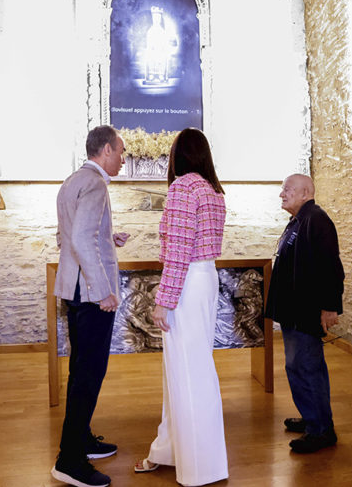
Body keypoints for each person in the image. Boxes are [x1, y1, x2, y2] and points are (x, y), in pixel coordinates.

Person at [133, 128, 228, 486]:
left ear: (178, 155)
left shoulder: (183, 188)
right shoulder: (213, 191)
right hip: (205, 279)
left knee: (189, 372)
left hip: (187, 282)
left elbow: (178, 250)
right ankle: (169, 451)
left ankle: (201, 467)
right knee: (187, 369)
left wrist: (164, 300)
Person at [51, 125, 130, 487]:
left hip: (73, 289)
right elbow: (81, 239)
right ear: (107, 150)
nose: (123, 159)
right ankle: (69, 460)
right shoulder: (96, 183)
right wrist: (103, 291)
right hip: (89, 294)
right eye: (121, 151)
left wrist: (107, 238)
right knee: (89, 373)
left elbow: (67, 236)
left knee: (80, 369)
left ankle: (81, 438)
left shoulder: (72, 181)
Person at [265, 173, 345, 454]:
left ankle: (321, 430)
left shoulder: (317, 219)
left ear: (305, 193)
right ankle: (312, 416)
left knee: (308, 367)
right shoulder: (300, 220)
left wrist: (330, 307)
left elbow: (331, 266)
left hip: (305, 311)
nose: (282, 194)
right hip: (293, 311)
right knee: (296, 366)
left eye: (287, 189)